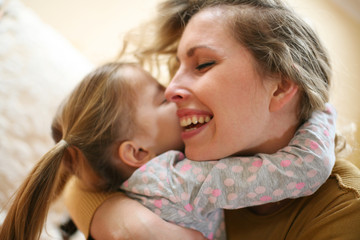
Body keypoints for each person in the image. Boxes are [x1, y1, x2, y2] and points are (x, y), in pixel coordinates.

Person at [63, 0, 360, 239]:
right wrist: (124, 222)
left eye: (203, 64)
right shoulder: (198, 160)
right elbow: (83, 170)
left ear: (281, 85)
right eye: (177, 67)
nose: (171, 89)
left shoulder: (346, 212)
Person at [0, 59, 336, 240]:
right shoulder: (180, 180)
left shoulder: (134, 187)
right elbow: (304, 170)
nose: (177, 91)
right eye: (162, 97)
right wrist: (321, 111)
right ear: (136, 152)